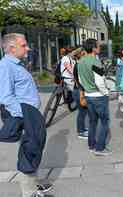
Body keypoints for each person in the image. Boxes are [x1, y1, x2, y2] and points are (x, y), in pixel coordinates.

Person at [0, 33, 52, 197]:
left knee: (33, 148)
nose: (28, 48)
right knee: (28, 152)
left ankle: (33, 185)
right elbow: (5, 97)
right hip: (25, 115)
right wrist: (24, 116)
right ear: (11, 48)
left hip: (30, 114)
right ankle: (29, 193)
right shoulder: (6, 66)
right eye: (24, 45)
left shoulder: (16, 64)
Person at [77, 38, 111, 156]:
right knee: (104, 122)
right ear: (93, 48)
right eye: (98, 45)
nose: (100, 47)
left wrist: (86, 89)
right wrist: (106, 92)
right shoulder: (95, 62)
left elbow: (80, 79)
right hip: (99, 96)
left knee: (92, 122)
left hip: (88, 95)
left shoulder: (80, 61)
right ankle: (100, 148)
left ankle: (91, 145)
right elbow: (99, 81)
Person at [72, 48, 89, 139]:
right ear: (81, 54)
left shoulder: (78, 65)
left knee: (82, 111)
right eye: (85, 53)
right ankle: (81, 132)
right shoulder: (79, 66)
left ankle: (81, 129)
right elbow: (82, 81)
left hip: (77, 90)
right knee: (82, 112)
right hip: (80, 91)